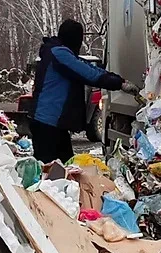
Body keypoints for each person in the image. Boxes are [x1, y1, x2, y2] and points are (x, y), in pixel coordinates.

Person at [29, 19, 139, 163]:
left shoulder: (58, 52)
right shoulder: (59, 54)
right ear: (75, 39)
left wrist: (118, 79)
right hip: (48, 122)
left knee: (65, 166)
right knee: (52, 170)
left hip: (50, 122)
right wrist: (119, 83)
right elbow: (89, 74)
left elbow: (88, 66)